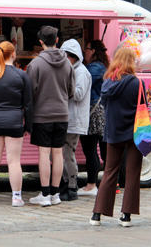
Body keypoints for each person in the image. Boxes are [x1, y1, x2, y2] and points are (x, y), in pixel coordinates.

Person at [90, 47, 144, 227]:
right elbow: (143, 106)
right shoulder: (136, 83)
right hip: (134, 132)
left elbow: (105, 104)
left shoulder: (107, 83)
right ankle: (126, 215)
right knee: (132, 172)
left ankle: (97, 214)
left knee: (109, 172)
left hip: (113, 132)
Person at [0, 41, 33, 207]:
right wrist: (28, 127)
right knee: (14, 161)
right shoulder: (22, 76)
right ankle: (16, 197)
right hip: (14, 121)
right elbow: (28, 104)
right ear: (14, 54)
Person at [26, 26, 74, 206]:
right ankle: (56, 193)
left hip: (42, 115)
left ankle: (45, 194)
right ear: (57, 40)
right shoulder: (68, 63)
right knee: (58, 154)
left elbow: (30, 92)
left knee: (44, 154)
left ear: (40, 42)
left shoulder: (36, 64)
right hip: (62, 114)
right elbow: (71, 90)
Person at [59, 39, 92, 201]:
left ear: (72, 57)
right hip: (69, 119)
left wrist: (64, 87)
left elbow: (78, 94)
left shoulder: (81, 72)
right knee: (64, 154)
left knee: (68, 154)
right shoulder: (73, 70)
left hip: (75, 120)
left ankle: (72, 186)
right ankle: (67, 183)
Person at [79, 40, 109, 196]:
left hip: (93, 113)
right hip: (101, 113)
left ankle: (91, 184)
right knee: (102, 150)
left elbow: (83, 83)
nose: (85, 51)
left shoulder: (94, 68)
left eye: (88, 49)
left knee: (90, 148)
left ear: (94, 51)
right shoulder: (102, 66)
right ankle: (109, 183)